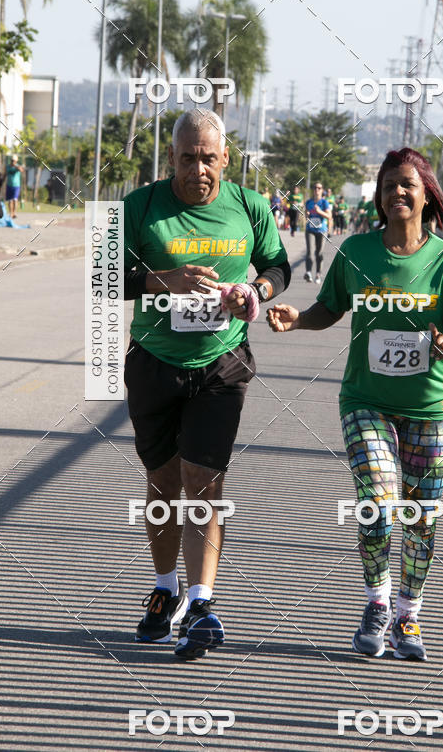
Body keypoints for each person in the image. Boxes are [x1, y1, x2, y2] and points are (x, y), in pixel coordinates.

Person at [268, 148, 443, 662]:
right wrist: (297, 320)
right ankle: (376, 601)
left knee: (421, 517)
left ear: (426, 196)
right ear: (378, 193)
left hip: (431, 406)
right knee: (378, 501)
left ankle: (408, 615)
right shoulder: (356, 252)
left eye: (408, 184)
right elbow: (331, 307)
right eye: (390, 183)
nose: (398, 191)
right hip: (365, 400)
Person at [123, 109, 290, 659]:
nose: (200, 169)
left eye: (209, 158)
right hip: (154, 362)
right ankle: (165, 586)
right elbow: (102, 277)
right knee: (162, 480)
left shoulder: (250, 206)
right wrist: (157, 280)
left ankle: (201, 603)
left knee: (203, 481)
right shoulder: (140, 207)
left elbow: (276, 264)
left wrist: (257, 291)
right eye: (188, 158)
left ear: (226, 158)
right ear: (171, 157)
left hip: (222, 362)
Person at [304, 181, 330, 284]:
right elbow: (306, 216)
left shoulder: (324, 202)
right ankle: (308, 273)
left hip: (321, 230)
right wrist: (307, 214)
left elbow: (329, 216)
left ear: (322, 190)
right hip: (310, 229)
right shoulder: (309, 202)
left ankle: (318, 273)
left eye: (319, 188)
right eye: (315, 188)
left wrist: (319, 212)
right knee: (310, 251)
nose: (317, 190)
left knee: (319, 253)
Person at [4, 154, 24, 219]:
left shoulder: (17, 166)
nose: (13, 162)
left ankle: (14, 213)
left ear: (16, 161)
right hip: (9, 185)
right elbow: (6, 172)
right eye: (12, 160)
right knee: (10, 200)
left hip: (16, 185)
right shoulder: (8, 167)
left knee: (15, 199)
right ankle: (11, 213)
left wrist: (16, 167)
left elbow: (21, 170)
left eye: (14, 161)